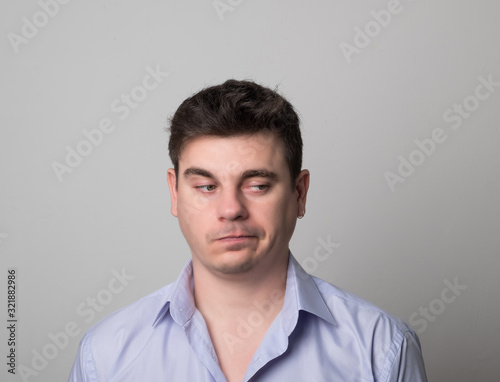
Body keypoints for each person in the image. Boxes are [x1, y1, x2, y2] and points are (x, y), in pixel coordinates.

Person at [68, 79, 428, 381]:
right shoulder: (105, 356)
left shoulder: (382, 349)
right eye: (206, 186)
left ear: (299, 193)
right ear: (174, 193)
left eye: (257, 185)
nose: (231, 210)